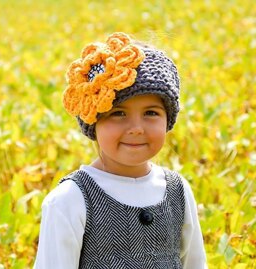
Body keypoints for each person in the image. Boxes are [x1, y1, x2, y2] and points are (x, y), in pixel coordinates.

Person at [34, 32, 207, 269]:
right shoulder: (70, 200)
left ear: (168, 120)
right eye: (118, 113)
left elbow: (195, 264)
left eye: (151, 113)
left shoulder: (177, 191)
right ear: (94, 122)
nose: (136, 128)